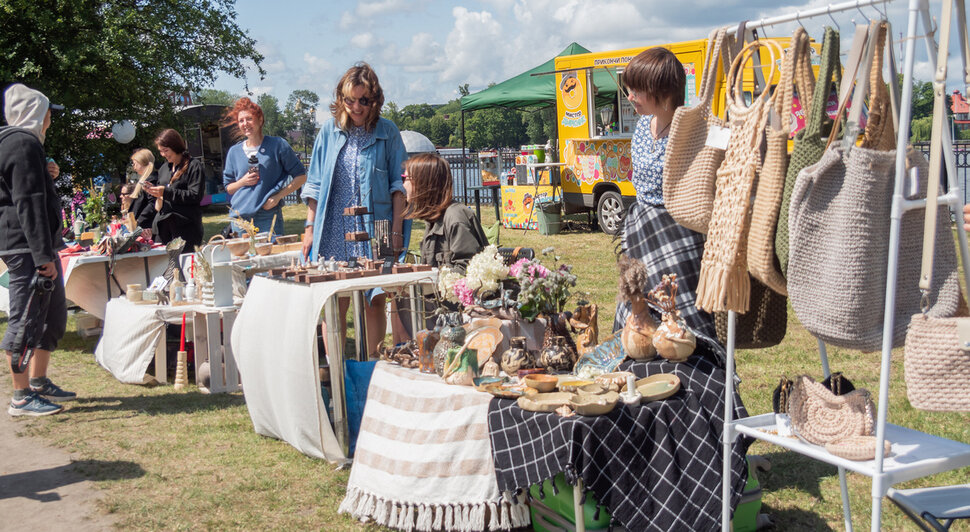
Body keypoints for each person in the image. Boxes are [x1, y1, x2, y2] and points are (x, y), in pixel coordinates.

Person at [301, 62, 408, 356]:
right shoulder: (329, 131)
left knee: (374, 299)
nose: (356, 107)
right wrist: (309, 228)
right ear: (340, 99)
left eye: (363, 100)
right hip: (335, 228)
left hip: (376, 230)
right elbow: (314, 183)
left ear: (375, 100)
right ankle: (336, 370)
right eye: (349, 100)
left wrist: (397, 231)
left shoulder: (388, 132)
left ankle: (372, 366)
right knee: (335, 301)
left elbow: (400, 185)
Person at [612, 47, 717, 342]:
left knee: (682, 315)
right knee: (639, 312)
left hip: (680, 234)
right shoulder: (643, 125)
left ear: (660, 90)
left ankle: (695, 381)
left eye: (636, 91)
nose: (629, 97)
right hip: (641, 231)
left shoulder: (692, 128)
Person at [0, 83, 75, 416]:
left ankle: (39, 381)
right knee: (26, 318)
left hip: (36, 245)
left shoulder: (22, 144)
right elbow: (26, 203)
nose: (50, 121)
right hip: (27, 247)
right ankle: (20, 396)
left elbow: (22, 189)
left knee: (52, 316)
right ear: (35, 113)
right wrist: (43, 256)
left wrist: (45, 175)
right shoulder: (21, 143)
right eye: (48, 114)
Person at [223, 97, 306, 238]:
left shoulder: (278, 145)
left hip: (268, 216)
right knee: (244, 259)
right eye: (241, 121)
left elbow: (301, 176)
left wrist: (278, 197)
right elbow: (228, 187)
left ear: (260, 120)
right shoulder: (234, 152)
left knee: (271, 258)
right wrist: (243, 181)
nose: (245, 124)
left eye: (249, 119)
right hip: (239, 219)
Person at [404, 153, 487, 274]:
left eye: (405, 178)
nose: (403, 185)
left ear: (423, 182)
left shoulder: (455, 217)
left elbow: (468, 270)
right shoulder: (434, 218)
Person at [144, 129, 205, 250]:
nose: (163, 154)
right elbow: (160, 199)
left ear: (176, 146)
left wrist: (166, 192)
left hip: (186, 228)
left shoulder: (194, 166)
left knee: (185, 265)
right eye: (161, 151)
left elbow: (195, 195)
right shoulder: (164, 169)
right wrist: (154, 191)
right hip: (163, 227)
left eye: (166, 150)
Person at [121, 148, 158, 234]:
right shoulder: (146, 179)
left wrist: (139, 220)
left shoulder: (151, 180)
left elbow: (152, 203)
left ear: (142, 162)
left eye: (135, 164)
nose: (134, 167)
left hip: (147, 227)